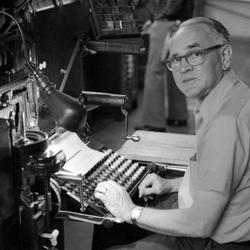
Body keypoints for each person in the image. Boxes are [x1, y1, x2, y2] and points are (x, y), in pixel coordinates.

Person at [94, 17, 250, 250]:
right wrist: (173, 185)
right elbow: (223, 177)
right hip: (217, 222)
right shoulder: (233, 95)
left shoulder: (225, 122)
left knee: (116, 224)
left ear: (225, 56)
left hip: (212, 241)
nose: (183, 67)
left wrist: (130, 211)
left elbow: (200, 223)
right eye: (175, 59)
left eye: (195, 54)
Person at [135, 0, 194, 132]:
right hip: (181, 24)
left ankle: (154, 123)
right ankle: (178, 116)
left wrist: (155, 17)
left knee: (154, 72)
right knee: (176, 68)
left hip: (164, 23)